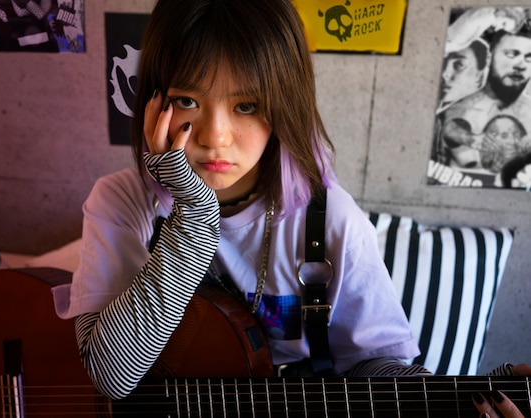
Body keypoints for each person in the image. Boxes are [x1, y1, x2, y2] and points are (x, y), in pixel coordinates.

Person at [52, 0, 529, 414]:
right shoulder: (121, 204)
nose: (215, 136)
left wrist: (467, 399)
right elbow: (111, 375)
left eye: (246, 106)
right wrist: (194, 214)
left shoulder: (329, 220)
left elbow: (374, 364)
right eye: (187, 100)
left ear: (284, 105)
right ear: (154, 103)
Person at [439, 15, 531, 181]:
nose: (521, 65)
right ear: (490, 57)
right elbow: (450, 129)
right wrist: (470, 139)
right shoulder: (455, 108)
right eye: (512, 54)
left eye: (529, 57)